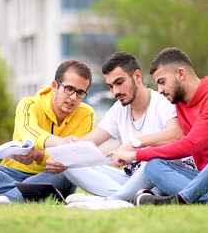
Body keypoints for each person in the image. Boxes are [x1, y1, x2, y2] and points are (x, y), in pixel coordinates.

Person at [109, 47, 208, 205]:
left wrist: (136, 154)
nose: (159, 90)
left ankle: (182, 199)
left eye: (162, 82)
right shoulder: (180, 104)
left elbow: (191, 145)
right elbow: (176, 140)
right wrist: (138, 152)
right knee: (153, 165)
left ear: (181, 74)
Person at [45, 52, 185, 202]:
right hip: (131, 182)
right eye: (111, 86)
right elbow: (90, 141)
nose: (115, 91)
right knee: (70, 166)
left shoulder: (161, 101)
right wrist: (61, 157)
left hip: (160, 177)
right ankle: (129, 199)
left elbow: (176, 133)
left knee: (152, 163)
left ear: (137, 76)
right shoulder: (119, 108)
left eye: (119, 82)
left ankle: (112, 200)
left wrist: (134, 144)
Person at [0, 59, 95, 202]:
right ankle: (42, 196)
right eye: (69, 89)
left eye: (80, 92)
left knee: (68, 171)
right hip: (14, 174)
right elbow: (29, 132)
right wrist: (62, 143)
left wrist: (39, 156)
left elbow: (75, 158)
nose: (73, 97)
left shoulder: (86, 113)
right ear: (54, 86)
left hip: (54, 176)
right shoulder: (29, 104)